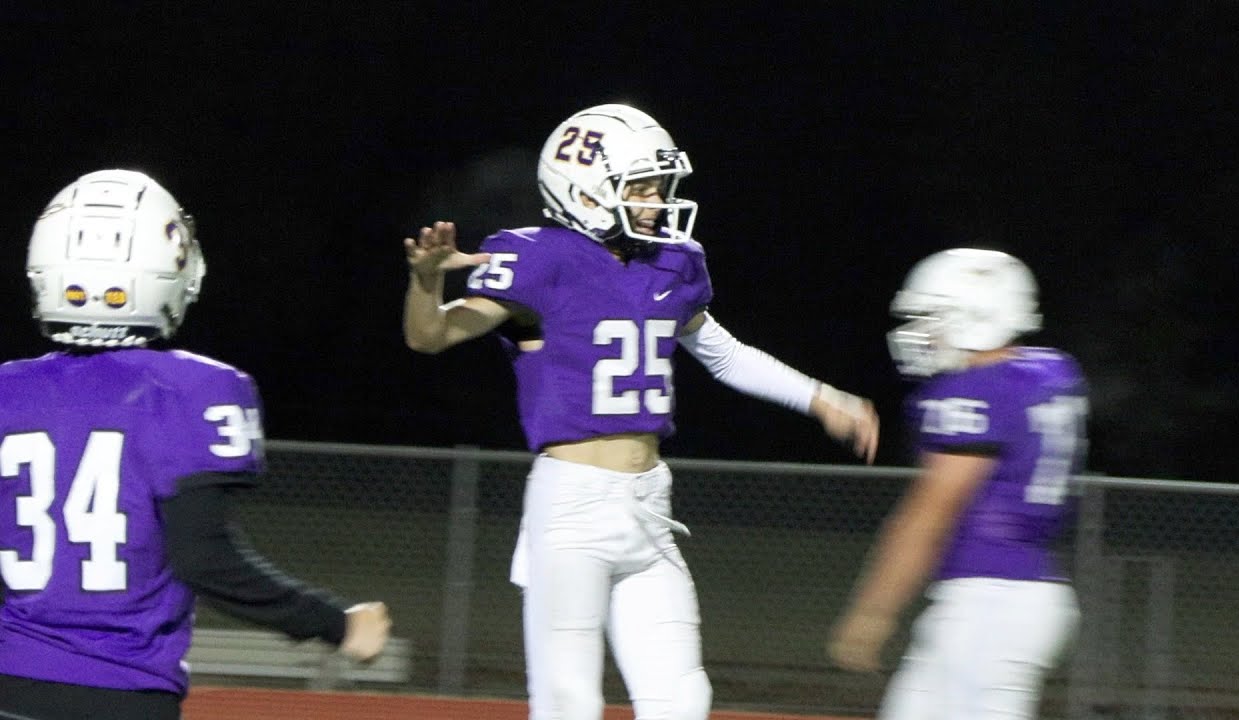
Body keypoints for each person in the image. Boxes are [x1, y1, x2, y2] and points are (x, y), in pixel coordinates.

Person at [402, 103, 880, 720]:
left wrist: (820, 399)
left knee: (681, 699)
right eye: (643, 185)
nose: (657, 199)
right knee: (567, 701)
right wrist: (424, 283)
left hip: (649, 503)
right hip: (572, 507)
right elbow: (431, 337)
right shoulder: (541, 260)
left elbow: (725, 355)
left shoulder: (671, 262)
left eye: (659, 185)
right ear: (587, 191)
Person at [0, 169, 392, 720]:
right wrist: (338, 625)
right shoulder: (194, 389)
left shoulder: (8, 389)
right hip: (121, 692)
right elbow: (205, 560)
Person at [827, 248, 1088, 719]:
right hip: (1015, 593)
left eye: (934, 317)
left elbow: (929, 515)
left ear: (977, 316)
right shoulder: (1050, 372)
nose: (921, 332)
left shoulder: (974, 391)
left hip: (991, 603)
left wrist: (873, 611)